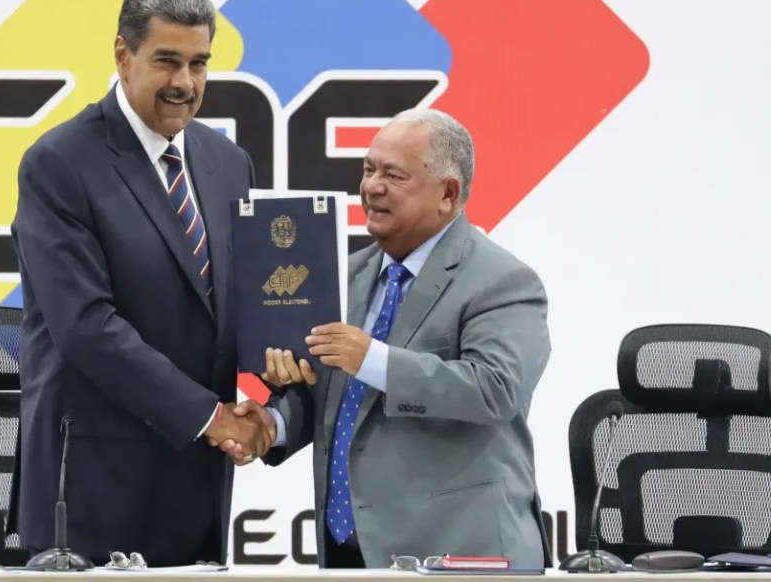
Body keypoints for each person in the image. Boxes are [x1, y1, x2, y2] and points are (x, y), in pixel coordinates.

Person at [10, 0, 267, 567]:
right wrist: (210, 418)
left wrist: (275, 392)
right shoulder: (59, 164)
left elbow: (237, 307)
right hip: (93, 491)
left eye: (199, 64)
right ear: (123, 56)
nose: (185, 83)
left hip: (197, 484)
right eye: (167, 61)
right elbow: (86, 327)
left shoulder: (229, 163)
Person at [224, 108, 551, 568]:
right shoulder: (346, 275)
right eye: (368, 169)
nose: (371, 187)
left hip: (459, 557)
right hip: (348, 554)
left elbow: (496, 390)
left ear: (448, 193)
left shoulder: (503, 281)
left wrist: (373, 359)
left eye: (393, 175)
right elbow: (331, 397)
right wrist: (271, 426)